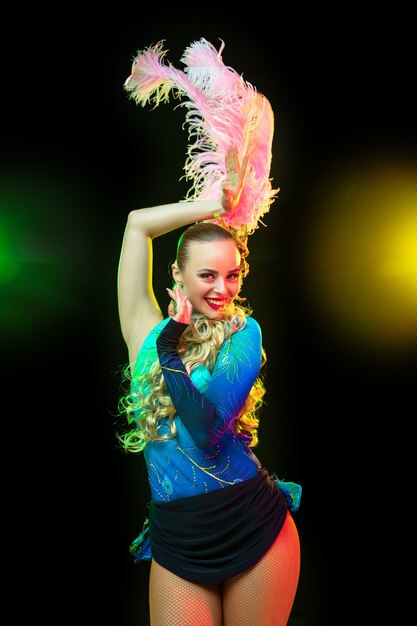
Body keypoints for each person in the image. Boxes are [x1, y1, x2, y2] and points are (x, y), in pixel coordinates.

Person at [116, 38, 302, 626]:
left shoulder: (245, 334)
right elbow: (136, 224)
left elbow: (202, 424)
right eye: (206, 275)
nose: (221, 288)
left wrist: (172, 343)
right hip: (178, 541)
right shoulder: (141, 329)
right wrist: (203, 205)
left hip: (251, 528)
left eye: (232, 274)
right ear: (177, 275)